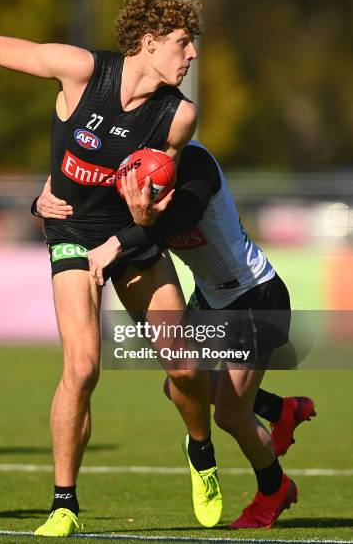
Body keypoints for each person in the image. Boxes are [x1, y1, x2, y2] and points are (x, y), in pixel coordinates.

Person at [0, 0, 225, 537]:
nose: (192, 56)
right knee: (83, 366)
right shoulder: (83, 70)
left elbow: (159, 202)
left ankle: (201, 451)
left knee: (184, 368)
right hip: (69, 231)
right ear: (149, 43)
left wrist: (144, 212)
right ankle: (64, 502)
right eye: (183, 44)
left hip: (129, 239)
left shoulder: (178, 115)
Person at [34, 140, 316, 529]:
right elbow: (89, 194)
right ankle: (277, 410)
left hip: (253, 298)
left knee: (231, 416)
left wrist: (117, 242)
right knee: (182, 384)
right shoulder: (135, 160)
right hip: (211, 298)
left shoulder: (197, 164)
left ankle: (274, 489)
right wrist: (44, 201)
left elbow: (178, 216)